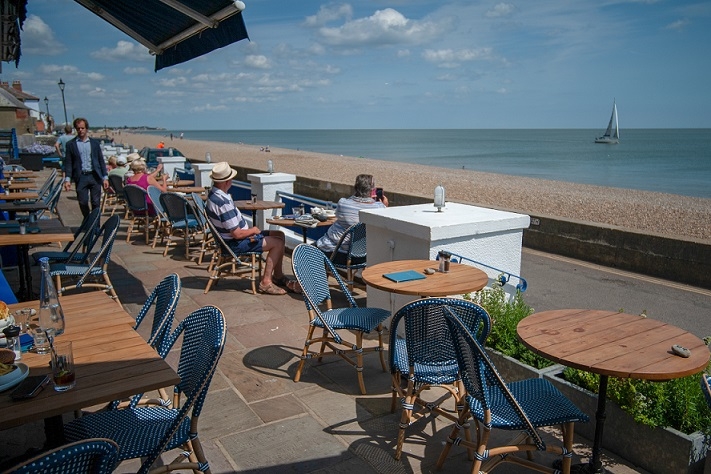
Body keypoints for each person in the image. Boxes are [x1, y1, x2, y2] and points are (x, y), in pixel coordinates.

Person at [205, 162, 298, 295]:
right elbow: (237, 234)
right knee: (277, 243)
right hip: (235, 244)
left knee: (279, 234)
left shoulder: (214, 196)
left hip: (232, 239)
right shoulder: (222, 202)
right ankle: (266, 282)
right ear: (227, 181)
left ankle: (277, 276)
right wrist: (253, 231)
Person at [316, 174, 388, 263]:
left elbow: (340, 214)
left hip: (336, 254)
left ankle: (321, 276)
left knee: (313, 250)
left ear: (355, 188)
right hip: (364, 256)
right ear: (372, 190)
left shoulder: (343, 203)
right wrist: (384, 205)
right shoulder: (379, 207)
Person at [63, 117, 109, 217]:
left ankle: (96, 226)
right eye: (78, 128)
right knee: (83, 202)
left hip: (94, 176)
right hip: (81, 177)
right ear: (76, 129)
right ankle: (88, 221)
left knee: (96, 202)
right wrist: (67, 180)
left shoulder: (94, 144)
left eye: (82, 128)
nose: (80, 130)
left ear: (86, 129)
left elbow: (101, 161)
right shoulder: (71, 144)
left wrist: (105, 177)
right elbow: (68, 163)